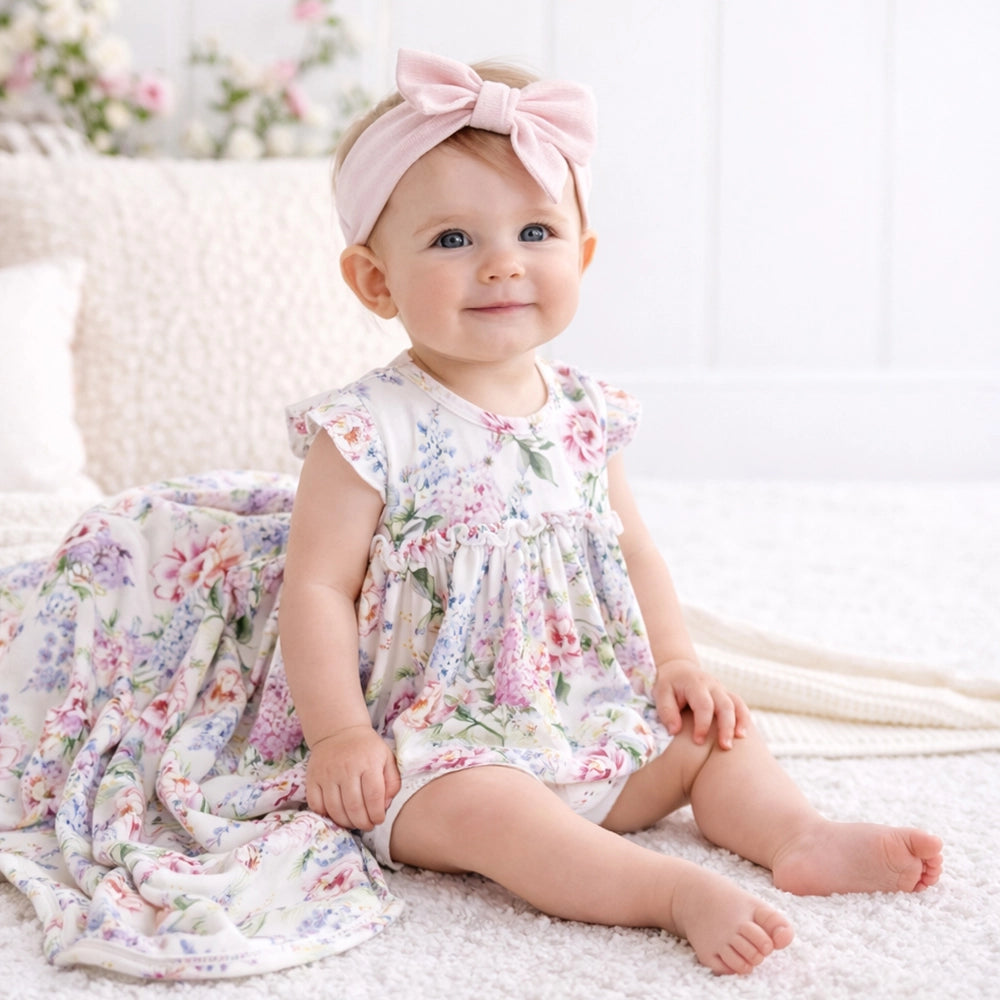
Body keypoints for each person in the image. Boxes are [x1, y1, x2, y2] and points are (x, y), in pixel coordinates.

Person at [278, 49, 943, 976]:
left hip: (583, 710)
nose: (502, 264)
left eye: (536, 231)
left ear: (582, 254)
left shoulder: (586, 412)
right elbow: (315, 587)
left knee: (714, 736)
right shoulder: (365, 429)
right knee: (493, 813)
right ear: (375, 281)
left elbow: (633, 551)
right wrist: (341, 735)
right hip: (436, 740)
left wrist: (675, 665)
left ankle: (798, 834)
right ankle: (666, 891)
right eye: (453, 239)